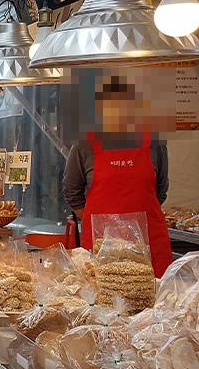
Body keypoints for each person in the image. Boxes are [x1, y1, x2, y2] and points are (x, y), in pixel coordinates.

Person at [63, 77, 171, 276]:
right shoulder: (84, 145)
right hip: (102, 245)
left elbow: (161, 190)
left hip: (148, 244)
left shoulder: (154, 142)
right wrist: (100, 222)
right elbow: (72, 192)